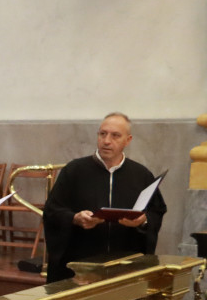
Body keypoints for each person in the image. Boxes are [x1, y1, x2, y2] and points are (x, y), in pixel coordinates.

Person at [44, 112, 167, 283]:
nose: (107, 140)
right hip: (81, 266)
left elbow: (157, 210)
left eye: (115, 135)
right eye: (103, 134)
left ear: (128, 140)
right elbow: (52, 211)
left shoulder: (141, 174)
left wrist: (143, 220)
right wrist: (75, 218)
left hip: (125, 264)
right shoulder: (74, 171)